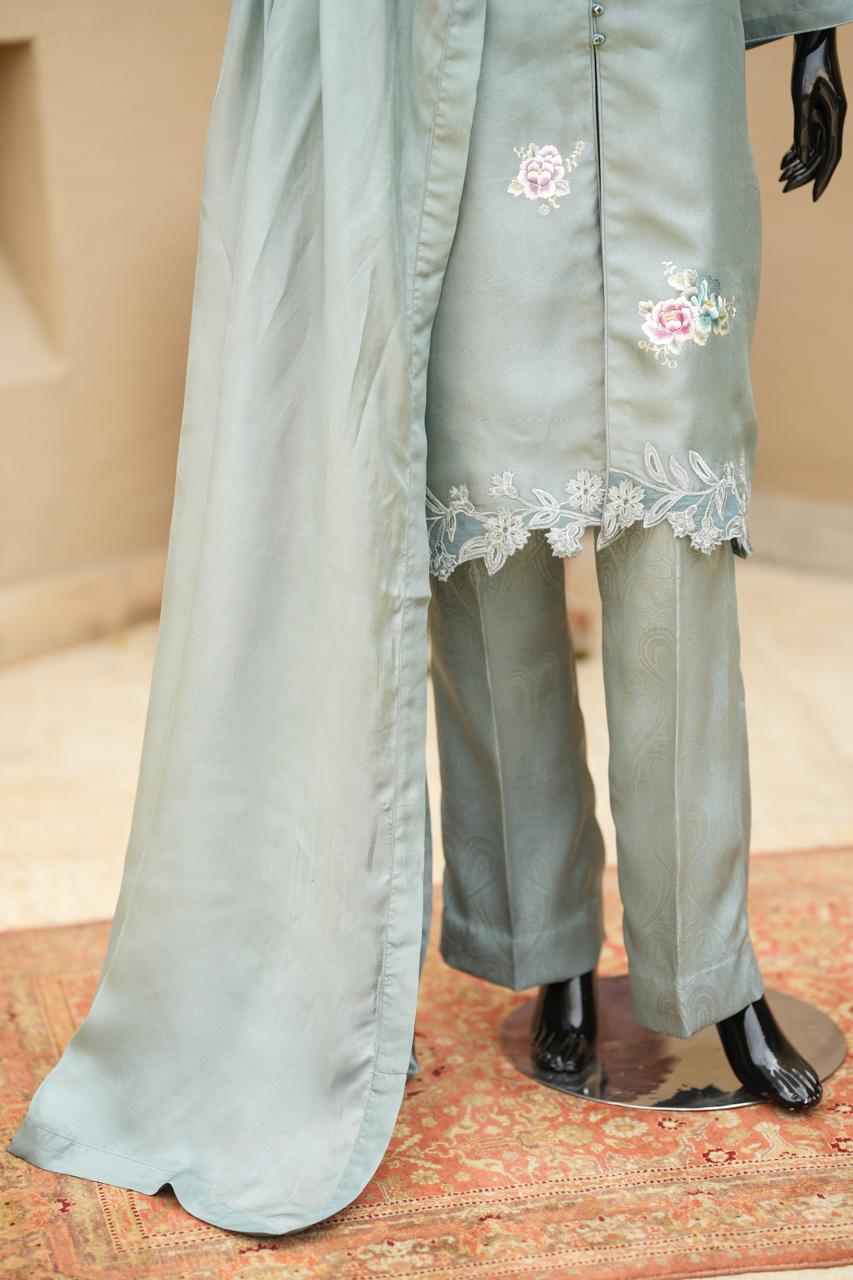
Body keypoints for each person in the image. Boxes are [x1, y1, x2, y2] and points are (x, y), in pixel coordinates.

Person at [9, 0, 853, 1237]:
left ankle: (715, 978)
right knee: (489, 563)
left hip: (673, 84)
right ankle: (546, 946)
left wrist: (815, 29)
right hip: (486, 98)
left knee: (678, 563)